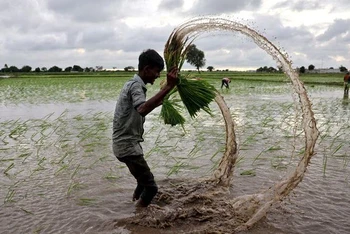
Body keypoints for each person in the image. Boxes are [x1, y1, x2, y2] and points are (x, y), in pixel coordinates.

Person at [112, 49, 178, 207]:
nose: (158, 76)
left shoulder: (132, 84)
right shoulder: (135, 86)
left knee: (142, 183)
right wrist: (168, 87)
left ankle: (134, 202)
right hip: (127, 147)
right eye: (157, 72)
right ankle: (136, 218)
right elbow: (142, 109)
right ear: (147, 69)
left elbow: (140, 109)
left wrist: (161, 99)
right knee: (151, 188)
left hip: (127, 145)